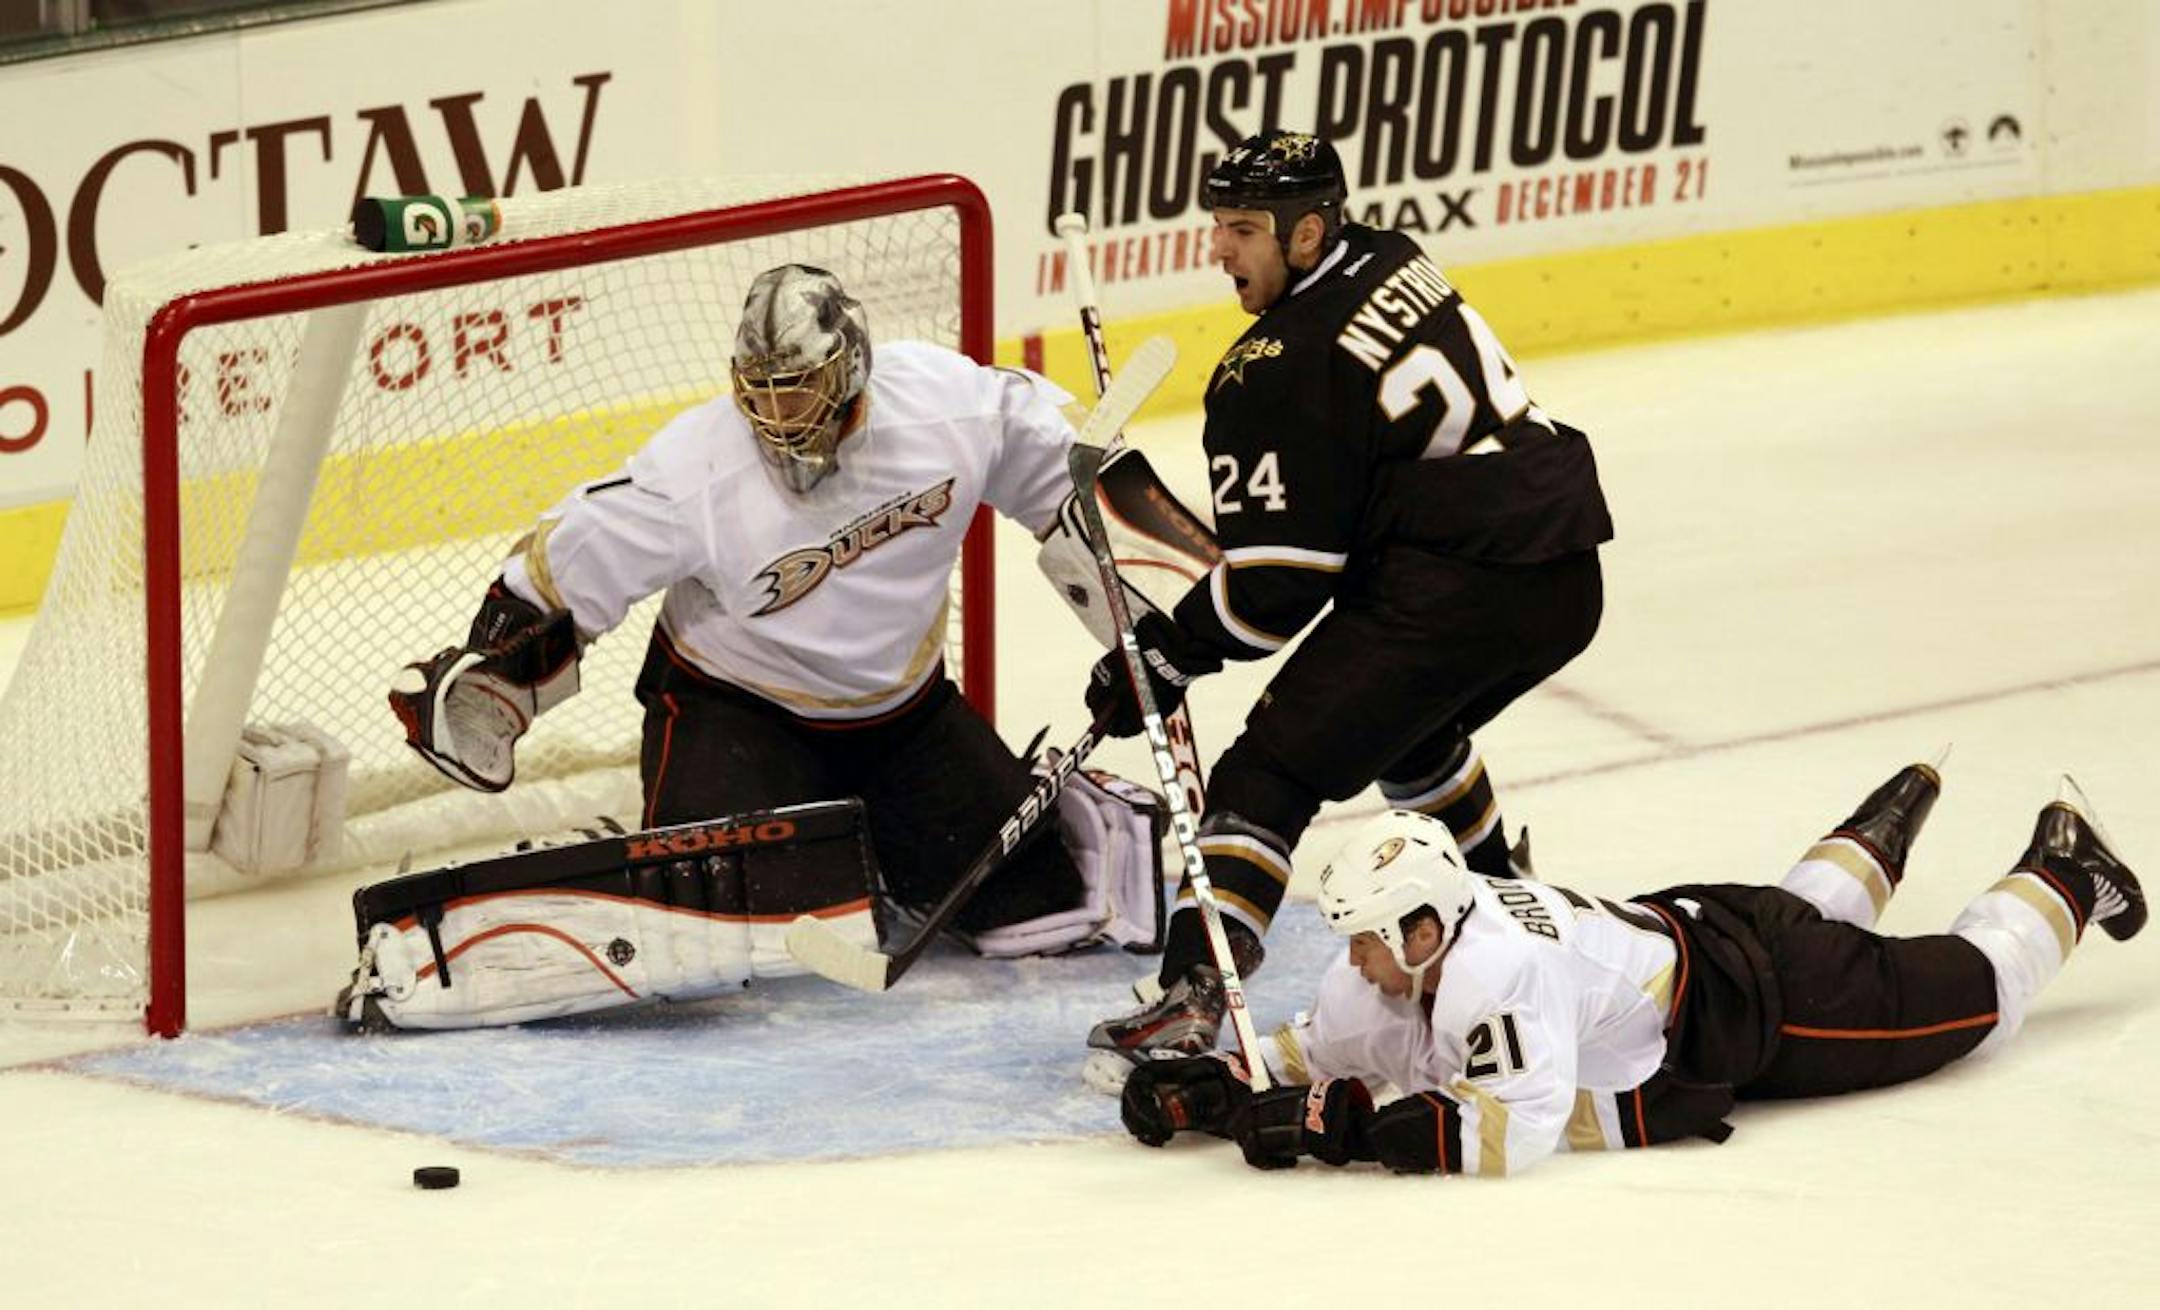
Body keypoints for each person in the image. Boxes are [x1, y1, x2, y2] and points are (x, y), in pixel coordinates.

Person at [352, 264, 1165, 1030]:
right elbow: (570, 564)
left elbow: (1074, 481)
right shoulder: (695, 469)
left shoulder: (952, 407)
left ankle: (880, 850)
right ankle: (634, 843)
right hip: (735, 711)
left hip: (904, 715)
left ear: (849, 367)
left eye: (799, 388)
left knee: (1042, 911)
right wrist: (492, 676)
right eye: (761, 394)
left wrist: (1161, 617)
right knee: (715, 949)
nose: (778, 417)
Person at [1084, 129, 1614, 1072]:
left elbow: (1277, 595)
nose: (1219, 250)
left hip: (1457, 587)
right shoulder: (1392, 258)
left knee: (1271, 771)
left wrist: (1164, 654)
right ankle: (1504, 904)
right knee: (1402, 729)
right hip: (1565, 572)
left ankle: (1193, 994)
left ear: (1305, 231)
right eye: (1218, 226)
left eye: (1242, 229)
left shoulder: (1271, 368)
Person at [1117, 762, 2147, 1175]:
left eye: (1367, 937)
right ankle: (1870, 837)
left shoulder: (1494, 968)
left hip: (1766, 1002)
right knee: (1805, 915)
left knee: (1977, 998)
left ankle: (2063, 868)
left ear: (1423, 930)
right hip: (1709, 924)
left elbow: (1511, 1127)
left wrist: (1338, 1131)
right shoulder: (1408, 950)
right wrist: (1227, 1086)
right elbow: (1330, 1041)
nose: (1351, 958)